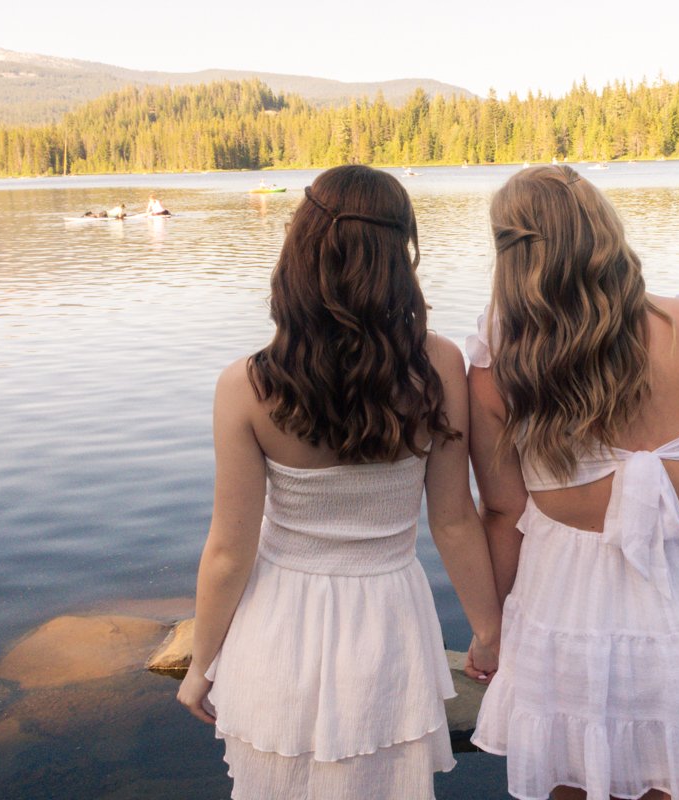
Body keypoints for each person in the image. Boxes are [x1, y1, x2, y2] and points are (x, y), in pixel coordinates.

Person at [466, 165, 679, 800]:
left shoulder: (500, 364)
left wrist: (490, 633)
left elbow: (503, 514)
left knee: (573, 777)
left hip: (567, 620)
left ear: (511, 256)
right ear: (607, 231)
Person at [176, 164, 501, 800]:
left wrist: (201, 665)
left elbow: (229, 552)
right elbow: (454, 518)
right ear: (399, 254)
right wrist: (487, 632)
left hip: (278, 625)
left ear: (300, 251)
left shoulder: (246, 386)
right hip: (388, 620)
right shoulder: (439, 363)